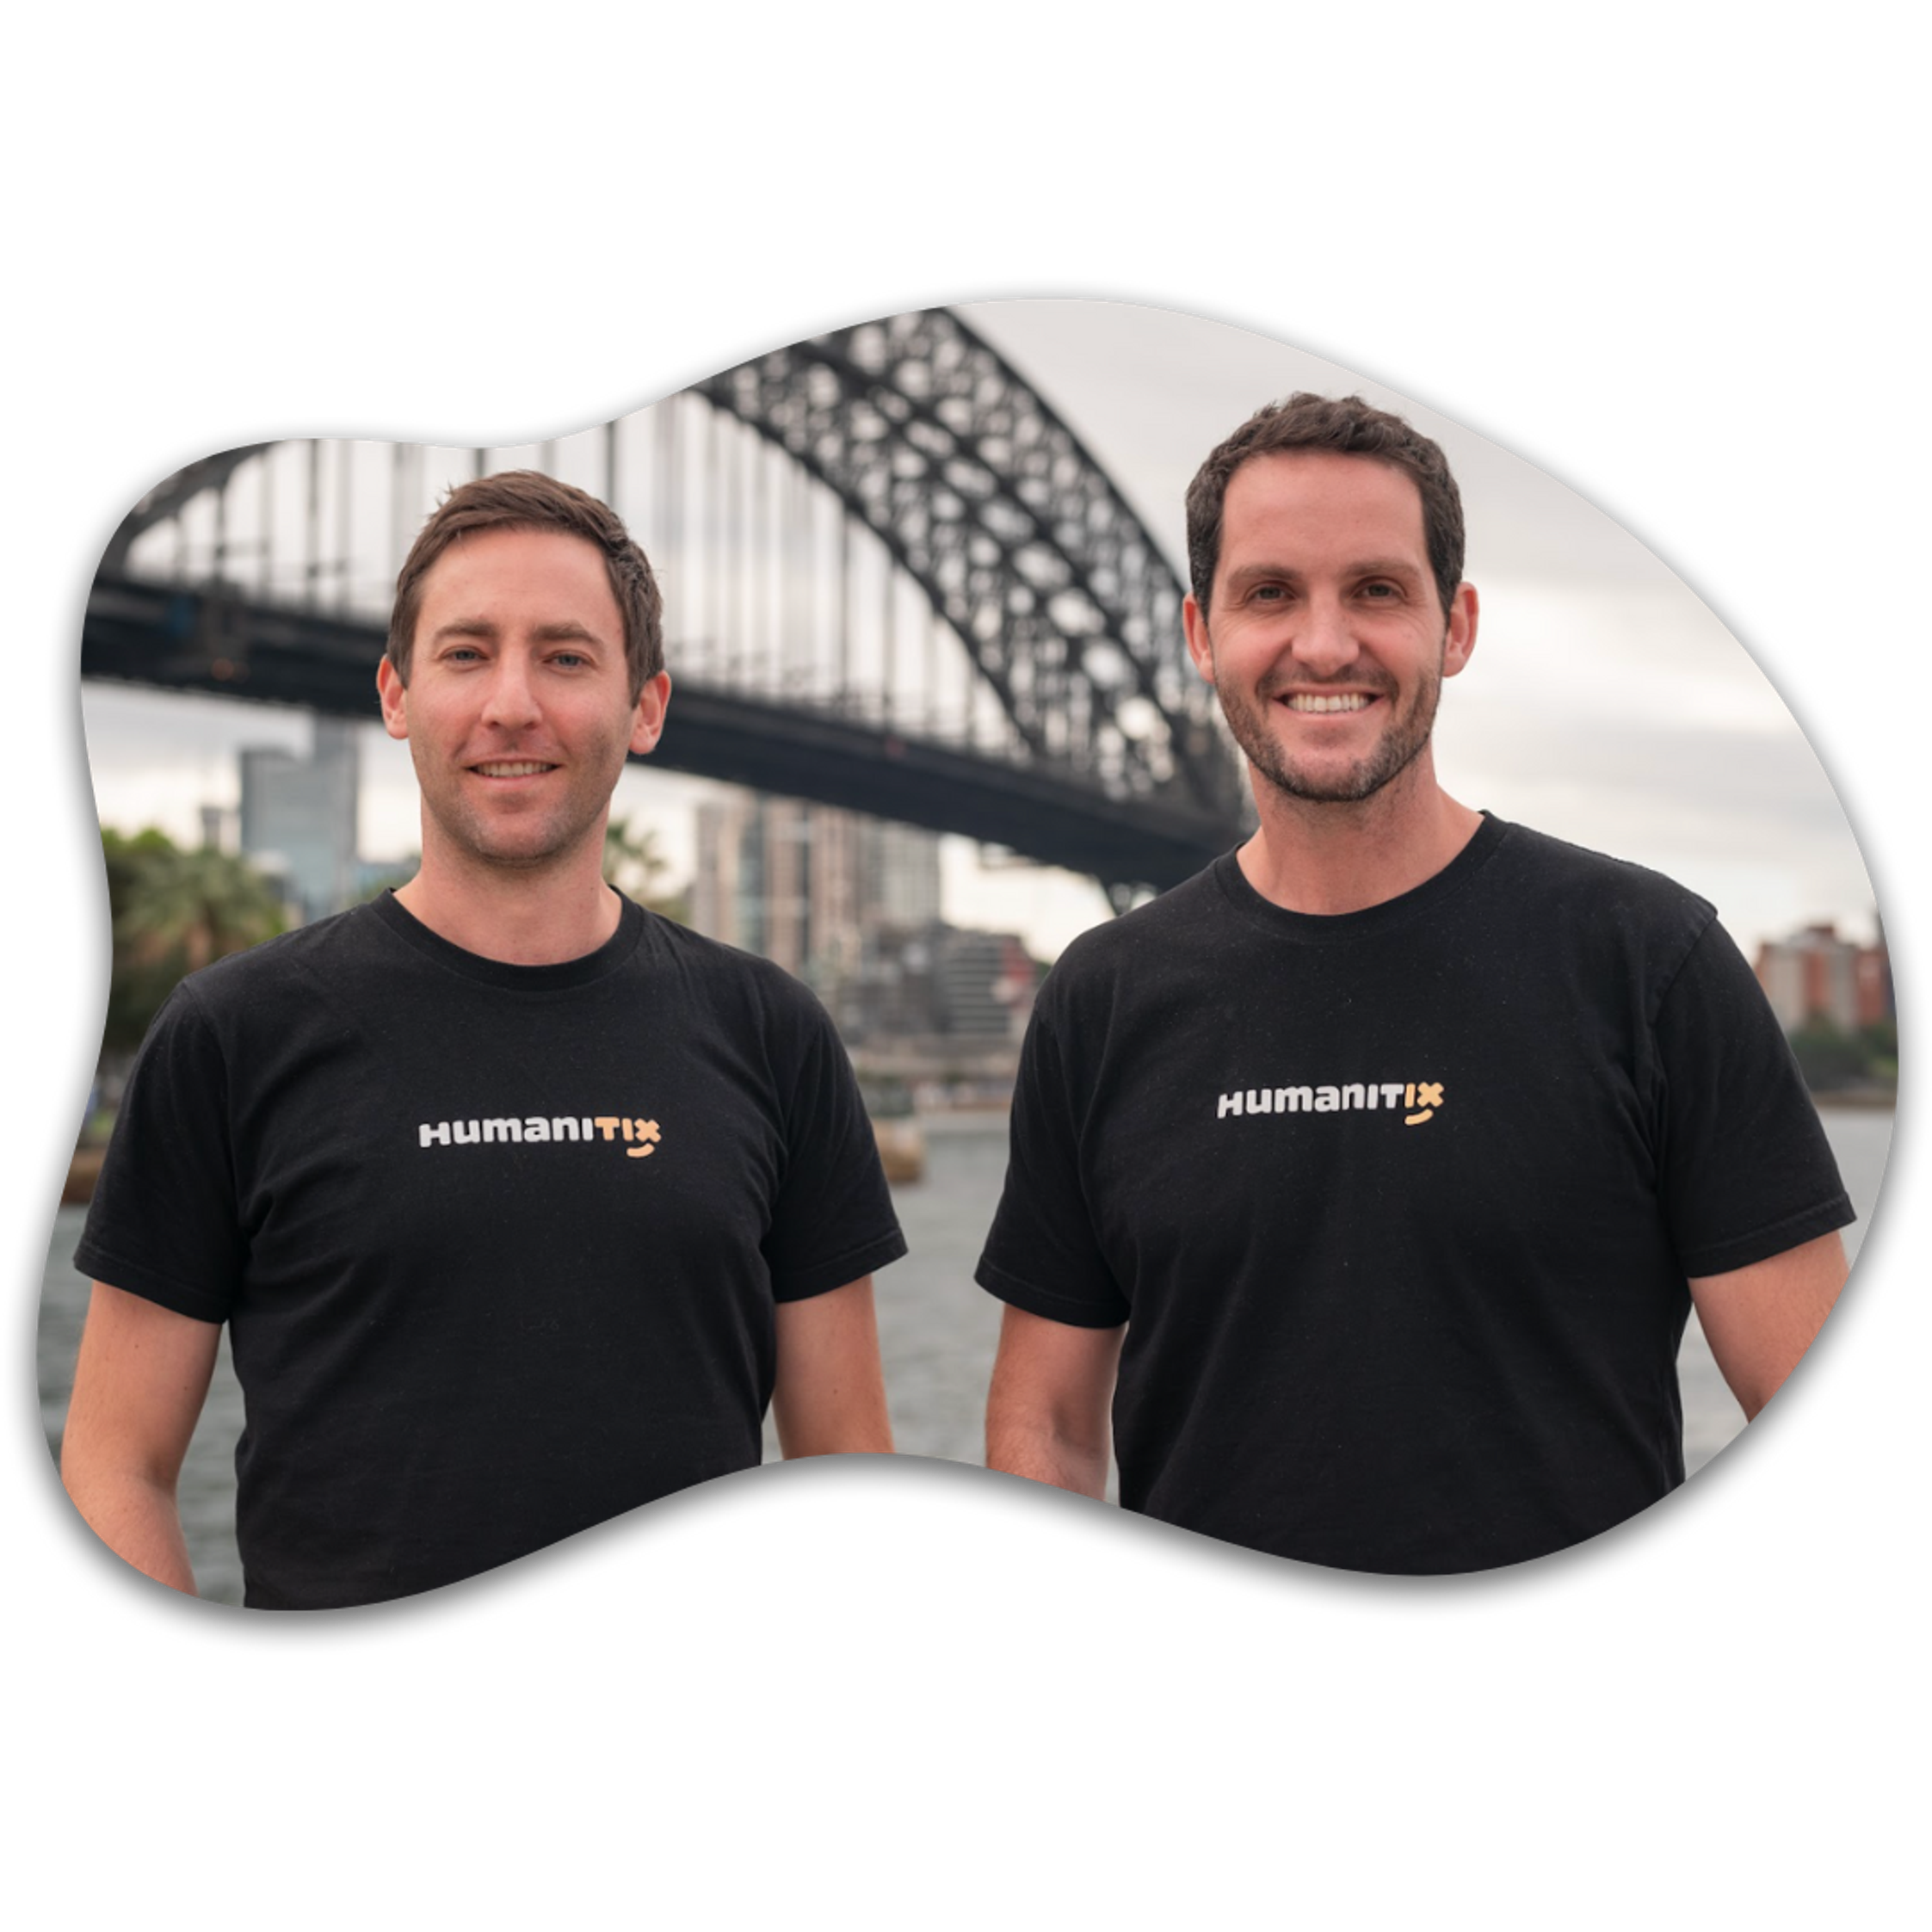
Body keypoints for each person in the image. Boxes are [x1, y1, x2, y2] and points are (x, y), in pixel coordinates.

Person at [977, 396, 1851, 1573]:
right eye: (1270, 593)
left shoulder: (1650, 959)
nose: (1325, 646)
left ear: (1457, 626)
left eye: (1378, 591)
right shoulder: (1104, 995)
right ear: (1200, 632)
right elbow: (1048, 1425)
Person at [67, 471, 905, 1608]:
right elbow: (117, 1465)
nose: (512, 704)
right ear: (397, 694)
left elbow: (844, 1449)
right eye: (466, 654)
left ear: (646, 705)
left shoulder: (770, 1032)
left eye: (565, 657)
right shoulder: (233, 1033)